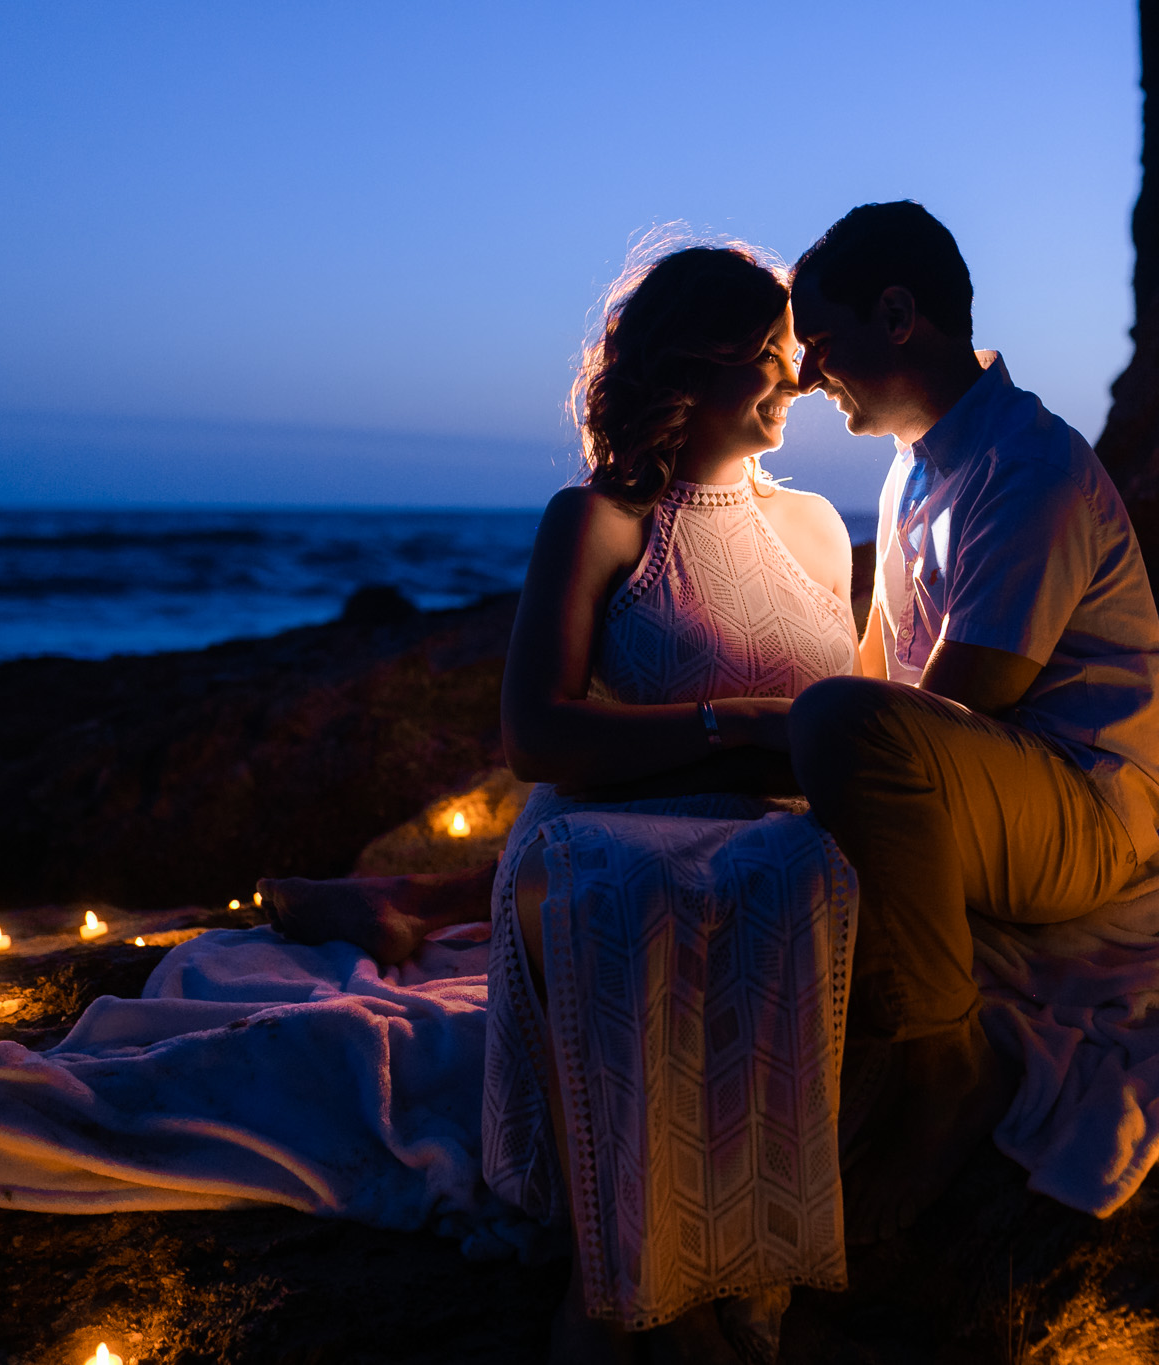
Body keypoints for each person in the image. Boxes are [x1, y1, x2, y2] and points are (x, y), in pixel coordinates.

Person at [274, 239, 862, 1364]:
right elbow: (534, 735)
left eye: (792, 360)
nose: (793, 384)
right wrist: (726, 723)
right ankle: (629, 1277)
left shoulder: (820, 530)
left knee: (789, 888)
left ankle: (737, 1259)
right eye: (769, 359)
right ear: (693, 364)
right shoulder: (597, 522)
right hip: (607, 830)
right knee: (622, 892)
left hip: (768, 837)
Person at [784, 201, 1159, 1240]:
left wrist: (814, 751)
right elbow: (876, 677)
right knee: (810, 742)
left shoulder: (1025, 466)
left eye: (820, 346)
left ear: (898, 313)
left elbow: (960, 703)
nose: (806, 377)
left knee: (830, 729)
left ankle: (944, 1063)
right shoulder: (912, 464)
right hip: (980, 782)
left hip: (1080, 806)